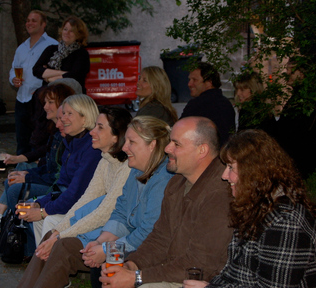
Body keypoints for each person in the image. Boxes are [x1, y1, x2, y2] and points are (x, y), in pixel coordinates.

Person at [16, 116, 173, 288]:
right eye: (126, 140)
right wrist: (100, 242)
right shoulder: (135, 170)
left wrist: (106, 249)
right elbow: (119, 213)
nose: (125, 146)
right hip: (121, 242)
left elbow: (147, 234)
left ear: (153, 145)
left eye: (132, 142)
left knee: (64, 247)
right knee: (55, 240)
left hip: (144, 251)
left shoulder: (163, 181)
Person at [99, 116, 233, 288]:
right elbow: (159, 239)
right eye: (170, 142)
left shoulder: (220, 192)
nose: (167, 148)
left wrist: (136, 278)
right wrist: (131, 265)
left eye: (176, 144)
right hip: (174, 269)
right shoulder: (177, 182)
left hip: (205, 280)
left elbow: (200, 264)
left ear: (202, 150)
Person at [184, 129, 316, 288]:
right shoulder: (256, 207)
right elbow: (234, 275)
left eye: (231, 167)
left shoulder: (285, 222)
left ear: (253, 171)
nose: (224, 175)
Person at [0, 83, 75, 240]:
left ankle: (5, 227)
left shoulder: (66, 134)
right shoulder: (54, 129)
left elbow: (57, 175)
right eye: (45, 102)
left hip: (57, 188)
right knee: (16, 176)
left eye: (50, 102)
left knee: (15, 189)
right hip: (52, 179)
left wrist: (28, 176)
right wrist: (26, 171)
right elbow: (47, 158)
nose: (45, 107)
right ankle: (3, 220)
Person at [34, 106, 133, 261]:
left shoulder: (127, 166)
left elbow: (105, 212)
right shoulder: (105, 160)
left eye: (100, 128)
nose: (92, 132)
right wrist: (58, 232)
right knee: (51, 228)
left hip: (116, 231)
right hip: (104, 224)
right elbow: (85, 199)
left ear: (116, 136)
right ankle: (42, 266)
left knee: (56, 236)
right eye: (94, 126)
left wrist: (60, 236)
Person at [14, 94, 101, 247]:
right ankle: (41, 260)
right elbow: (61, 186)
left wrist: (43, 210)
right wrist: (38, 203)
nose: (63, 119)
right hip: (73, 202)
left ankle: (47, 263)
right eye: (63, 114)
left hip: (88, 208)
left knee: (48, 219)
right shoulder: (73, 143)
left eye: (69, 114)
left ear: (85, 117)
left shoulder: (91, 149)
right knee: (35, 210)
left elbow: (76, 193)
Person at [9, 10, 58, 155]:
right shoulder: (21, 48)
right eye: (28, 20)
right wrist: (13, 79)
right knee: (22, 141)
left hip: (40, 101)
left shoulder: (53, 46)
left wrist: (42, 91)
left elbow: (56, 75)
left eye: (34, 20)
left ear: (43, 24)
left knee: (39, 140)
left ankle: (38, 171)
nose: (29, 23)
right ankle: (21, 171)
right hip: (21, 99)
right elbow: (13, 69)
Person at [275, 60, 316, 179]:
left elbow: (291, 133)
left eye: (291, 70)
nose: (287, 73)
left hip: (301, 165)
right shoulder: (304, 99)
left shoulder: (303, 102)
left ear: (302, 74)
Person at [180, 62, 235, 145]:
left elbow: (180, 131)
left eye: (195, 80)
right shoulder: (226, 103)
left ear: (209, 82)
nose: (189, 84)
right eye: (189, 80)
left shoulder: (197, 104)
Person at [33, 15, 90, 93]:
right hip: (49, 95)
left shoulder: (82, 54)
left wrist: (49, 77)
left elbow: (75, 75)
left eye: (71, 31)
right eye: (65, 29)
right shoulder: (51, 49)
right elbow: (36, 70)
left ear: (79, 34)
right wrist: (64, 73)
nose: (67, 33)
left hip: (71, 96)